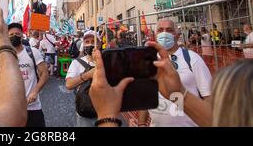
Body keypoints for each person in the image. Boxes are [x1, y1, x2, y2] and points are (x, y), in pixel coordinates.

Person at [90, 41, 253, 127]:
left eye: (225, 107)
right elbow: (217, 123)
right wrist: (179, 94)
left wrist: (107, 116)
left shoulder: (193, 58)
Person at [138, 19, 212, 127]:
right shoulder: (149, 62)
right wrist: (141, 123)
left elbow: (208, 96)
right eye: (160, 30)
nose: (164, 33)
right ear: (155, 35)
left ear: (177, 35)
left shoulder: (192, 59)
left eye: (169, 30)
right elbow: (145, 97)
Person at [8, 22, 49, 127]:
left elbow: (44, 73)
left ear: (22, 35)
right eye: (11, 35)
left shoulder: (33, 52)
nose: (14, 36)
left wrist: (35, 91)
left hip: (32, 107)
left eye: (17, 34)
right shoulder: (4, 56)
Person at [65, 31, 99, 126]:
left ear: (99, 44)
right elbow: (68, 85)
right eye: (87, 42)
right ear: (83, 45)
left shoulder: (107, 61)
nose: (91, 44)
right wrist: (87, 75)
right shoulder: (77, 63)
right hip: (85, 110)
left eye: (94, 41)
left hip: (105, 112)